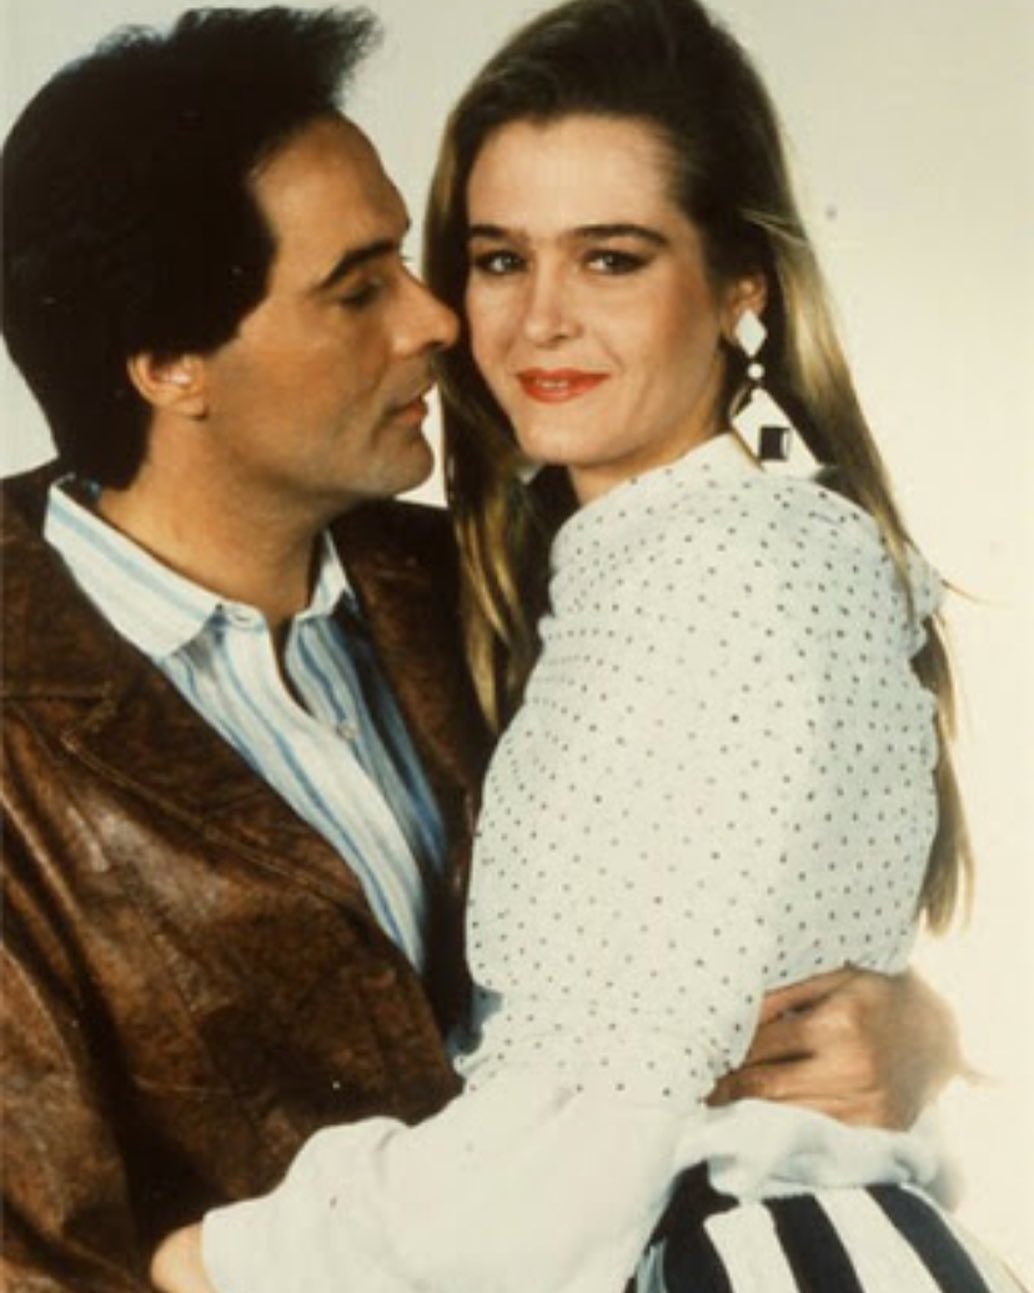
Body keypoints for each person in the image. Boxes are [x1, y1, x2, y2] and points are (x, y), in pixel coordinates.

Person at [0, 6, 963, 1293]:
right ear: (171, 363)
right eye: (361, 287)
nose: (439, 320)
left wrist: (905, 1031)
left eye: (418, 260)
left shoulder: (495, 580)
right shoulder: (20, 726)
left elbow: (701, 953)